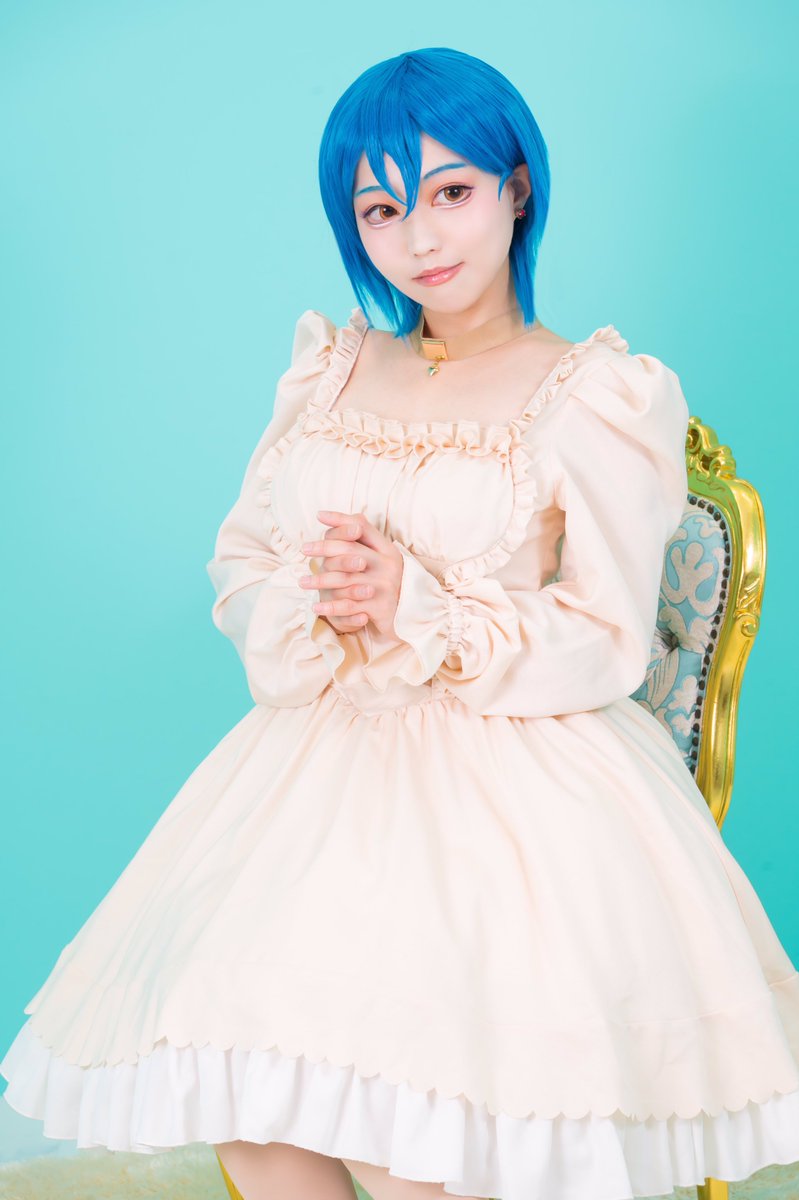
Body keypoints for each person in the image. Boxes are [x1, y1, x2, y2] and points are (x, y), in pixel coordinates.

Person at [2, 45, 799, 1200]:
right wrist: (316, 597)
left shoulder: (595, 394)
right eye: (380, 210)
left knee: (420, 1132)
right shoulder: (330, 370)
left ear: (515, 189)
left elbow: (607, 634)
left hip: (514, 773)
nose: (419, 237)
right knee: (246, 1087)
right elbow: (243, 556)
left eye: (451, 191)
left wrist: (421, 608)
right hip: (323, 759)